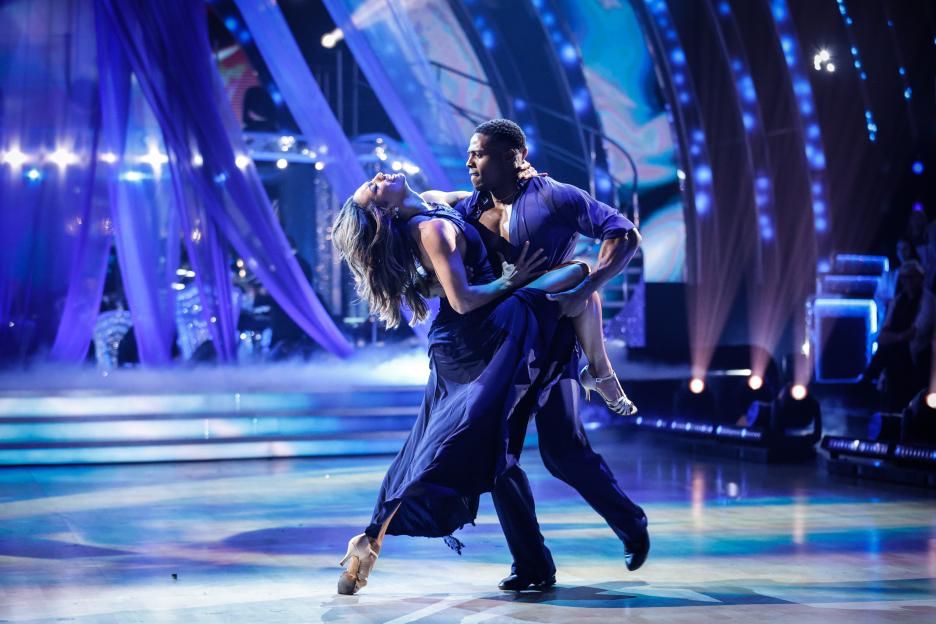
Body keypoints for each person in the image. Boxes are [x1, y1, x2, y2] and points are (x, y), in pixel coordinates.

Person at [331, 170, 618, 595]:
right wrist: (508, 280)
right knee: (443, 443)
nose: (377, 176)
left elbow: (482, 201)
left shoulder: (432, 202)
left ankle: (370, 540)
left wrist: (524, 182)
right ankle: (600, 373)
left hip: (475, 334)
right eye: (374, 188)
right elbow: (462, 300)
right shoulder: (431, 229)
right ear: (386, 210)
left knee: (452, 443)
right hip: (469, 341)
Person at [451, 119, 649, 591]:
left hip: (551, 346)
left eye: (478, 154)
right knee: (495, 458)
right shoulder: (474, 203)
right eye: (470, 154)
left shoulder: (555, 196)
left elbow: (623, 233)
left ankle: (631, 524)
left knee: (563, 452)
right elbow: (434, 205)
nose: (470, 162)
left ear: (513, 154)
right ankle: (533, 565)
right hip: (501, 350)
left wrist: (590, 286)